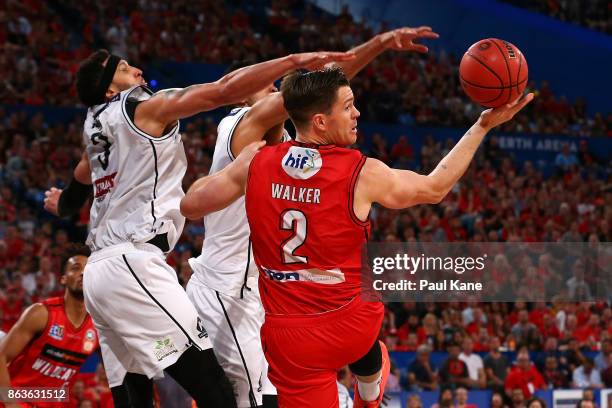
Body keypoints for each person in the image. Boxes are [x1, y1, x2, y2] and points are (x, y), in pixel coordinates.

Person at [181, 67, 533, 406]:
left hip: (291, 336)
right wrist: (482, 125)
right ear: (320, 121)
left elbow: (191, 206)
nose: (357, 113)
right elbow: (435, 187)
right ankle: (369, 393)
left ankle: (367, 388)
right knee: (368, 292)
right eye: (348, 106)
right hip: (353, 321)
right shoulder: (362, 171)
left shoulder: (254, 162)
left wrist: (229, 170)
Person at [43, 48, 355, 408]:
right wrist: (292, 63)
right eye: (126, 70)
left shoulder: (93, 125)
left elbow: (83, 174)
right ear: (112, 92)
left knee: (132, 393)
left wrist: (64, 204)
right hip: (133, 263)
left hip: (99, 273)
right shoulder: (143, 106)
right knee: (213, 386)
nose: (138, 71)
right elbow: (221, 90)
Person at [180, 26, 439, 408]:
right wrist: (378, 47)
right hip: (229, 290)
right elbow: (324, 85)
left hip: (270, 293)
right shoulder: (244, 123)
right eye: (268, 87)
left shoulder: (285, 147)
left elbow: (324, 92)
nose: (275, 94)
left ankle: (369, 379)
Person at [0, 244, 97, 407]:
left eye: (88, 269)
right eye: (76, 268)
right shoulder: (41, 313)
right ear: (63, 278)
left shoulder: (98, 325)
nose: (82, 273)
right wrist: (10, 403)